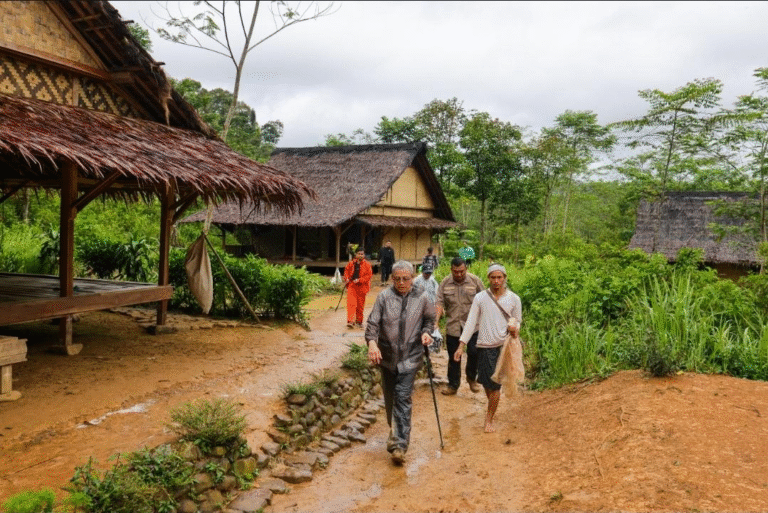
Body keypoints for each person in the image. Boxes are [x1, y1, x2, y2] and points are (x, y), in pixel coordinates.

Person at [366, 260, 435, 465]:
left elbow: (429, 320)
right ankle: (395, 431)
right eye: (397, 279)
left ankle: (399, 445)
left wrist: (426, 333)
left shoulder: (422, 297)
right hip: (387, 357)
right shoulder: (384, 297)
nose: (402, 283)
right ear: (392, 278)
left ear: (412, 278)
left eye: (406, 279)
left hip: (411, 357)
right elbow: (373, 323)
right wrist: (372, 344)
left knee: (402, 397)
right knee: (390, 398)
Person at [454, 263, 522, 433]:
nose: (496, 281)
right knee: (486, 382)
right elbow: (470, 322)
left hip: (503, 347)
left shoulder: (514, 299)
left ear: (505, 278)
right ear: (488, 278)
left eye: (500, 277)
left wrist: (515, 328)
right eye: (493, 277)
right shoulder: (480, 298)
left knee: (496, 385)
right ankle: (493, 406)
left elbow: (518, 321)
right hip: (484, 346)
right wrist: (461, 346)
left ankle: (488, 419)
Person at [436, 256, 485, 396]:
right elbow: (439, 303)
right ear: (451, 270)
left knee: (474, 353)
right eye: (455, 272)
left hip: (473, 326)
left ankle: (471, 378)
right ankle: (453, 384)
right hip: (453, 326)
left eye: (461, 271)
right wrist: (436, 321)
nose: (458, 274)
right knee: (453, 356)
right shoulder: (445, 283)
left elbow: (485, 300)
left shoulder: (475, 281)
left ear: (466, 269)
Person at [343, 247, 373, 328]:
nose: (360, 255)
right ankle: (350, 321)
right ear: (356, 254)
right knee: (351, 304)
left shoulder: (367, 264)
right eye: (359, 254)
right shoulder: (351, 263)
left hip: (362, 287)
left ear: (364, 255)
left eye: (362, 254)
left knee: (360, 305)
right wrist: (347, 279)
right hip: (352, 286)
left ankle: (359, 321)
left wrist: (360, 280)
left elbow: (368, 276)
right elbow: (346, 272)